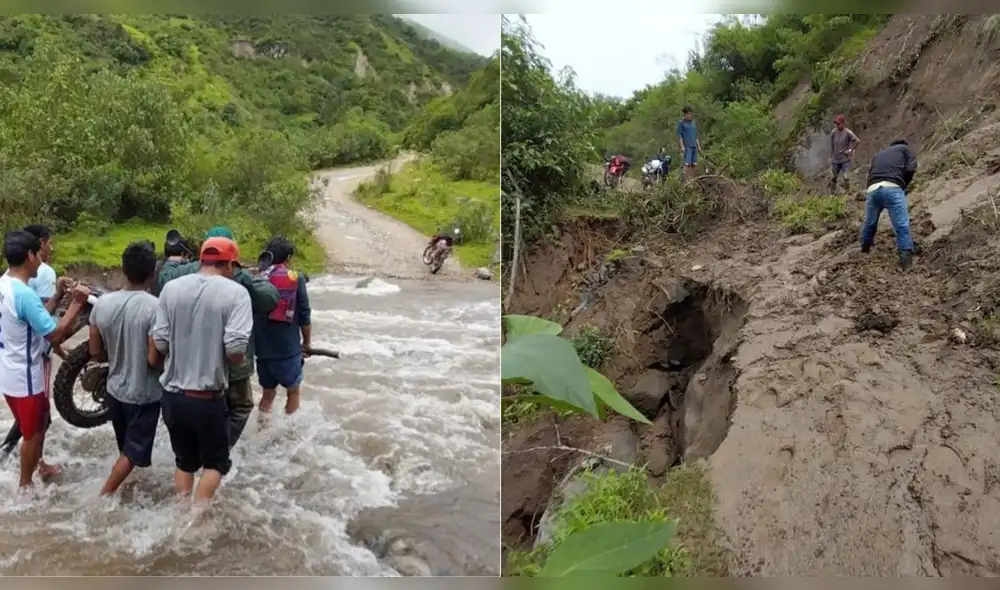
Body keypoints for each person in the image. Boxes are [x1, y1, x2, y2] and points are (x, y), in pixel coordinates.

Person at [150, 237, 253, 503]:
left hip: (172, 398)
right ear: (230, 264)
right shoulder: (236, 293)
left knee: (184, 462)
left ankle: (181, 511)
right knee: (215, 464)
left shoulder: (171, 289)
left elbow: (160, 342)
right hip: (207, 399)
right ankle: (195, 519)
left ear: (201, 260)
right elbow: (235, 350)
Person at [158, 225, 277, 448]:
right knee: (239, 407)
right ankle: (221, 448)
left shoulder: (183, 274)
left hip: (186, 365)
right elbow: (269, 299)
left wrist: (172, 260)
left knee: (186, 425)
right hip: (233, 367)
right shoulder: (240, 279)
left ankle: (197, 451)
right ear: (231, 260)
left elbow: (163, 279)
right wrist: (246, 275)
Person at [0, 230, 90, 488]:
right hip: (26, 376)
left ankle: (35, 470)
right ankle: (25, 486)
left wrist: (58, 295)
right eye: (38, 255)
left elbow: (34, 318)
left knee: (38, 423)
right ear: (30, 255)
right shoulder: (24, 294)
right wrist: (77, 304)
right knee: (31, 433)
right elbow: (54, 335)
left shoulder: (5, 284)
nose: (41, 260)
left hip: (8, 369)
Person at [89, 241, 163, 496]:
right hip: (143, 394)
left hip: (114, 391)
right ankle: (103, 496)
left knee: (126, 448)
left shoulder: (102, 304)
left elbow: (95, 352)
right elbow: (153, 359)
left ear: (123, 269)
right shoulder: (155, 308)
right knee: (133, 453)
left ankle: (125, 487)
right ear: (152, 274)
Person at [254, 236, 312, 417]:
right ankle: (290, 430)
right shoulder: (295, 278)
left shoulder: (256, 278)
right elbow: (304, 315)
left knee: (267, 394)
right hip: (287, 349)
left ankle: (261, 428)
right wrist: (306, 343)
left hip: (262, 350)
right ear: (288, 258)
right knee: (293, 391)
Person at [860, 139, 918, 269]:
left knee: (870, 223)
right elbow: (911, 168)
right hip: (892, 188)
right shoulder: (905, 149)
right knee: (901, 224)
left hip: (873, 189)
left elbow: (871, 173)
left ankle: (864, 250)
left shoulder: (879, 154)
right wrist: (904, 184)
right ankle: (906, 260)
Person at [830, 114, 861, 194]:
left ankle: (847, 193)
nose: (837, 125)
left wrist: (851, 150)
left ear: (843, 123)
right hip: (835, 158)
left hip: (844, 158)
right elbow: (832, 145)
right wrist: (832, 156)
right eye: (836, 124)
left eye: (839, 124)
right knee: (833, 177)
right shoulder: (833, 133)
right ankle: (832, 193)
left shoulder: (848, 132)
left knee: (846, 176)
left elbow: (857, 141)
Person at [677, 106, 703, 182]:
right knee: (687, 164)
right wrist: (682, 146)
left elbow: (696, 136)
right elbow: (680, 135)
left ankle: (692, 179)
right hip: (687, 146)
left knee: (694, 164)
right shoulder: (681, 123)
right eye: (688, 114)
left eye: (690, 114)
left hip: (694, 146)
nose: (690, 115)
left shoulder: (693, 124)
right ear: (685, 114)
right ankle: (686, 180)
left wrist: (699, 146)